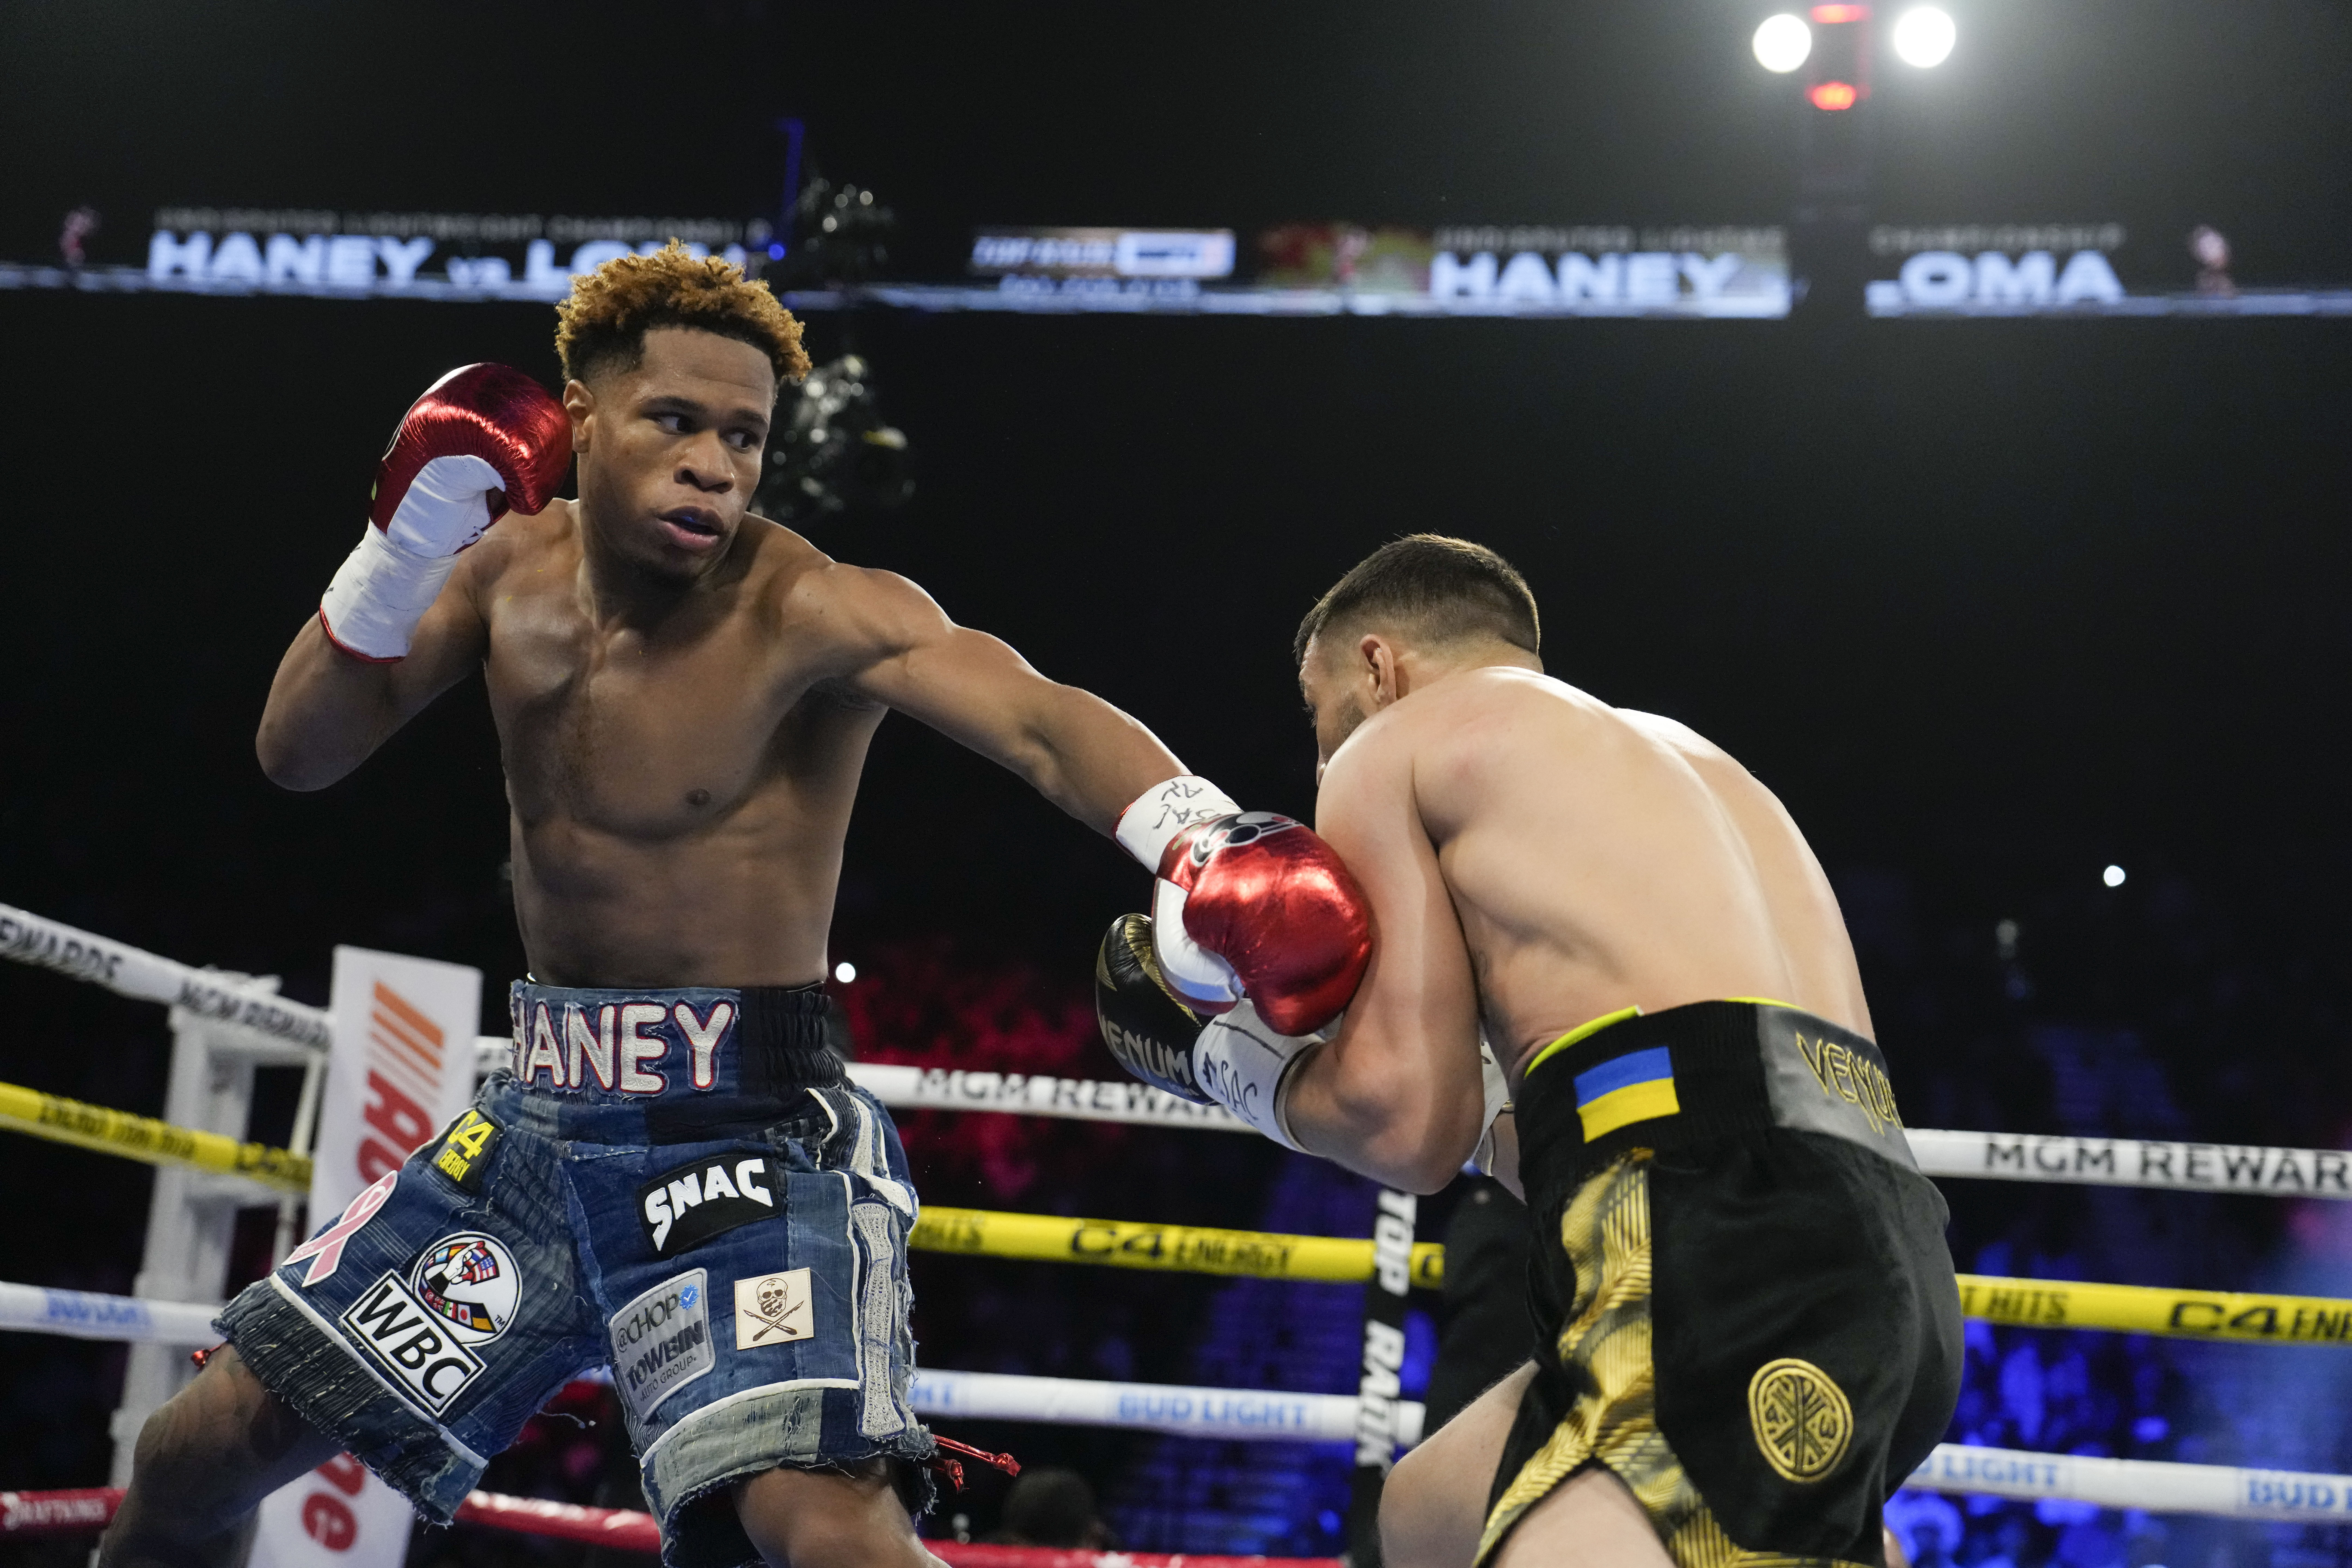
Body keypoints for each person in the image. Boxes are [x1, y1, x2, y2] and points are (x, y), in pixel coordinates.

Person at [99, 244, 1368, 1568]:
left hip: (751, 1139)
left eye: (746, 437)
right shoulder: (495, 573)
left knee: (823, 1534)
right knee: (194, 1448)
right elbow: (298, 754)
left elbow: (1038, 721)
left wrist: (1202, 838)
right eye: (676, 423)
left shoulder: (808, 607)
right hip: (533, 1131)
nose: (717, 463)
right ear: (580, 420)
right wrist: (399, 541)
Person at [1096, 535, 1961, 1568]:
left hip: (1711, 1246)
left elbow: (1407, 1123)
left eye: (1319, 713)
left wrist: (1222, 1064)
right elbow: (1627, 1102)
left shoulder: (1394, 747)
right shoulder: (1699, 768)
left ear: (1379, 669)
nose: (1322, 757)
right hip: (1888, 1250)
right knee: (1424, 1517)